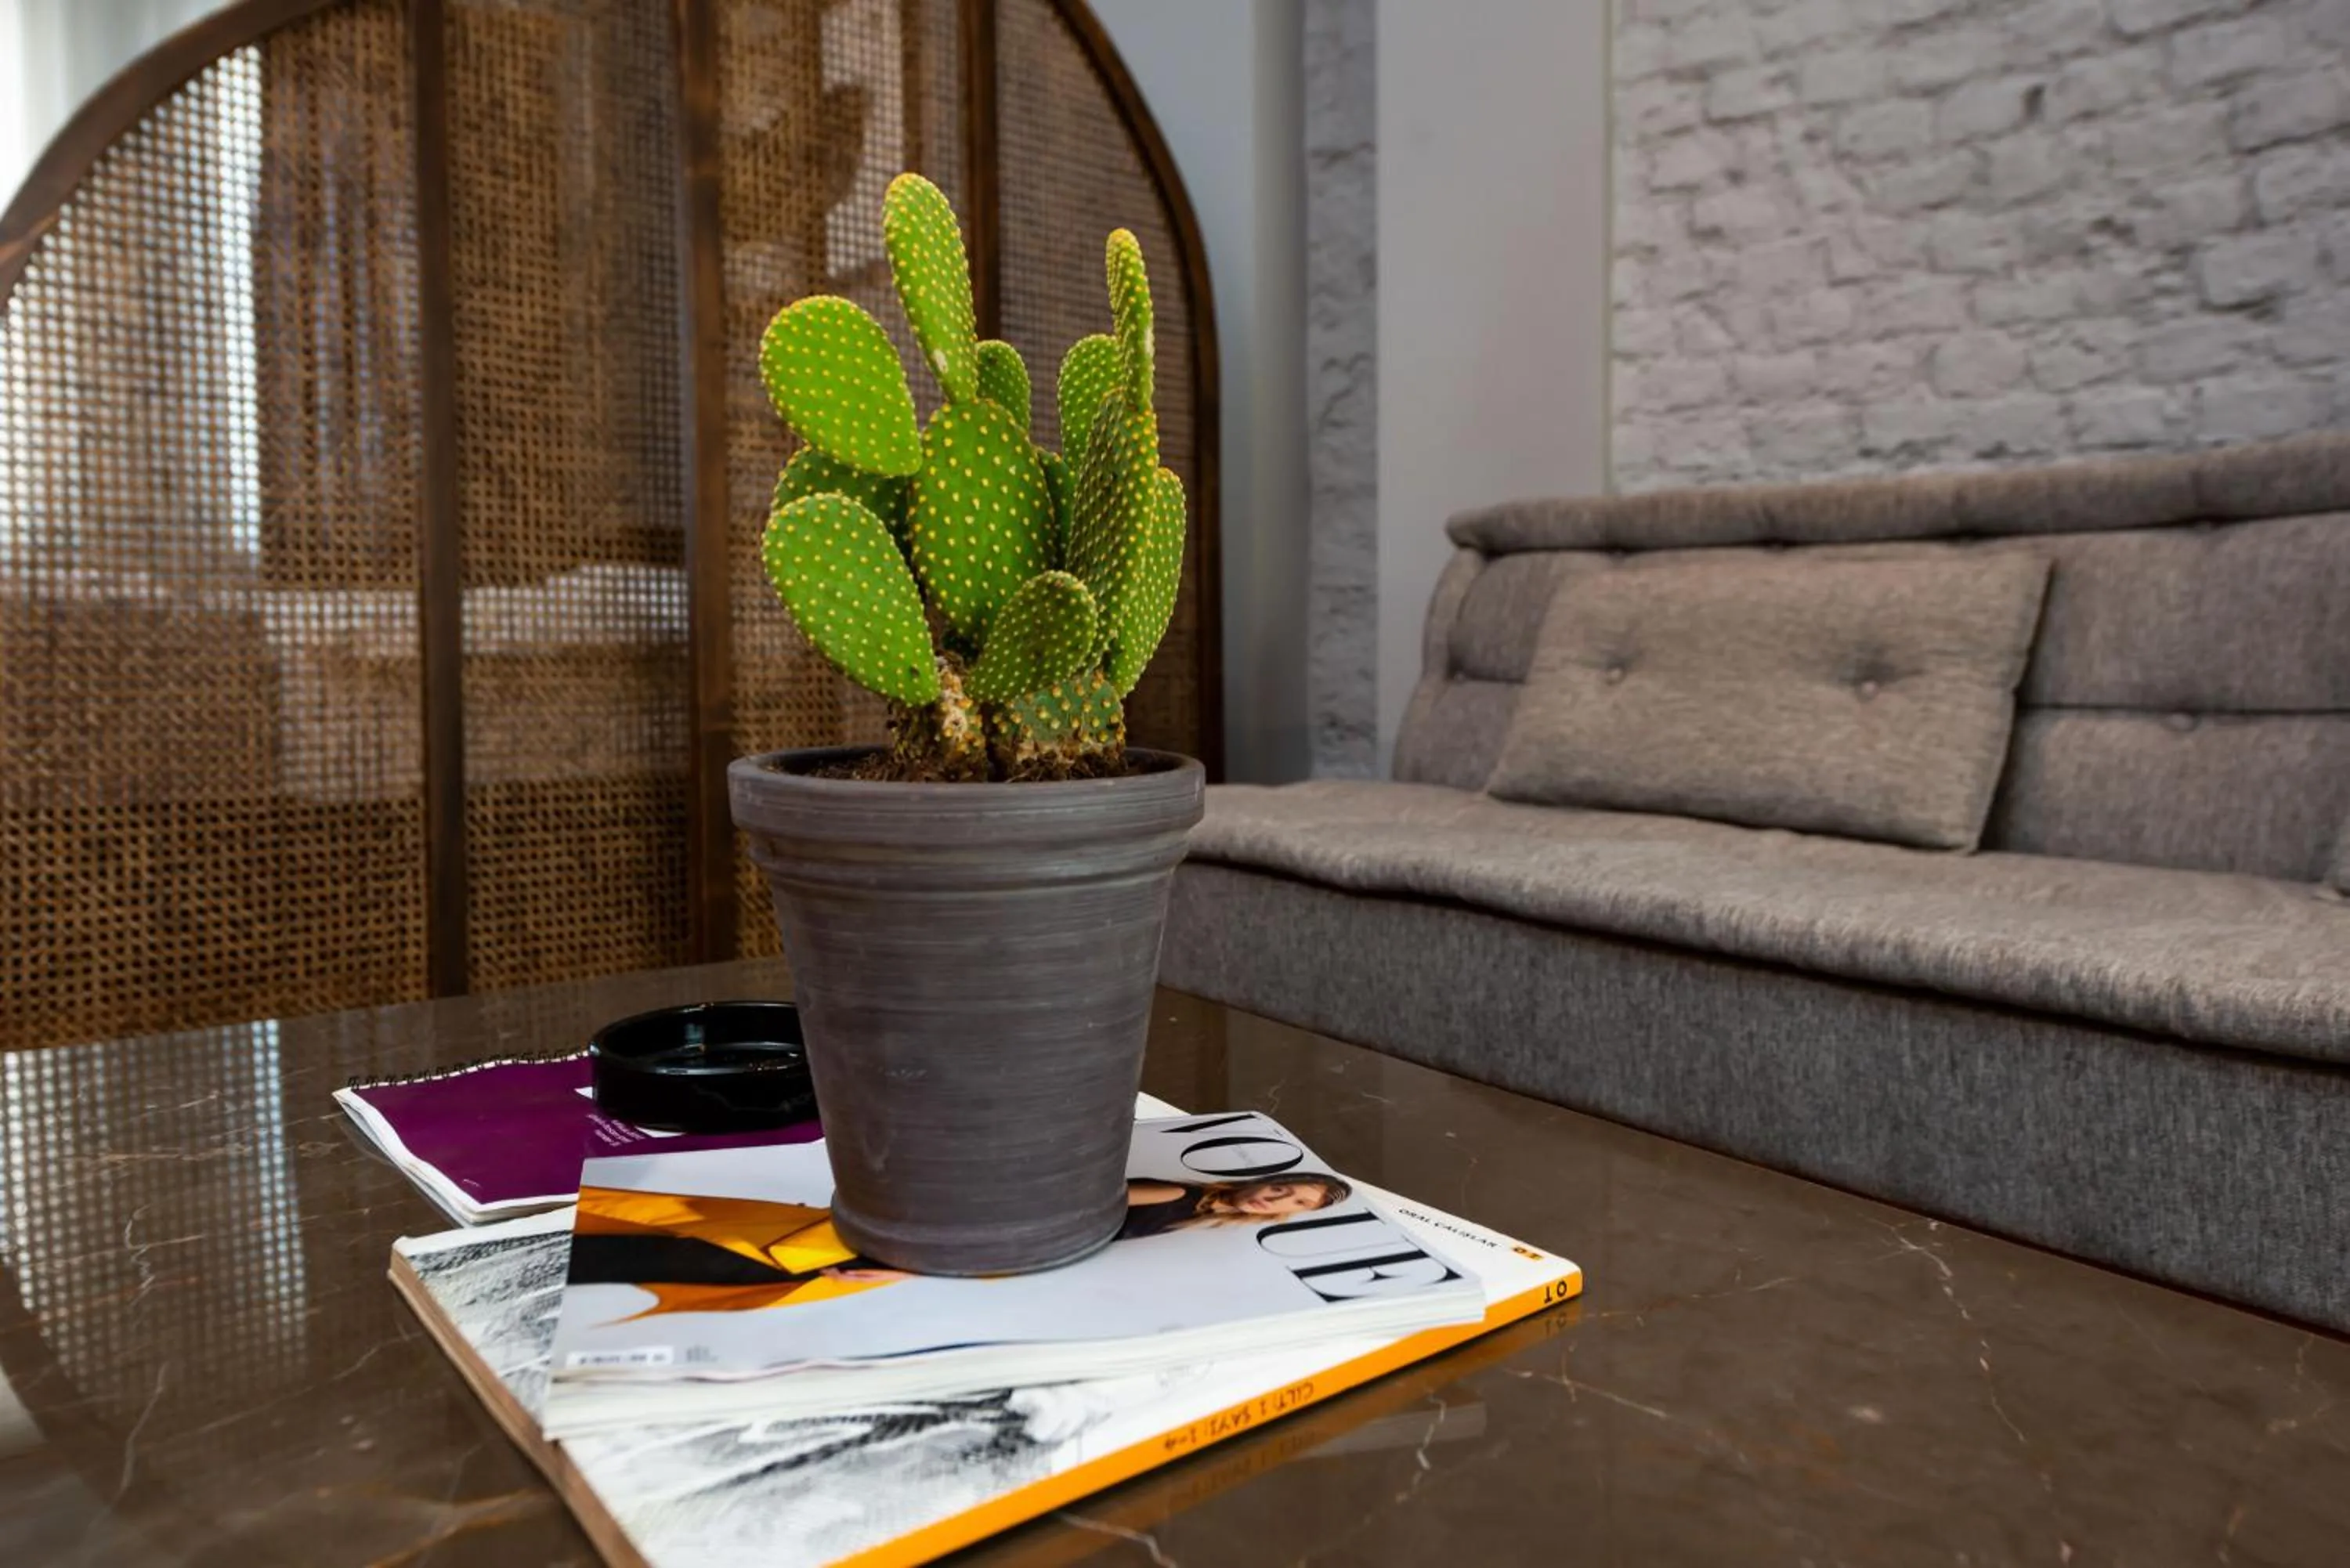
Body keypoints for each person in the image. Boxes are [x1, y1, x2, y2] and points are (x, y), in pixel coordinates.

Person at [1116, 1173, 1353, 1241]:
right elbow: (1085, 1208)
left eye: (1299, 1203)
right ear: (1263, 1182)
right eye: (1279, 1189)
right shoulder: (1181, 1195)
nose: (1274, 1202)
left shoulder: (1201, 1213)